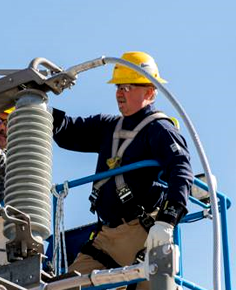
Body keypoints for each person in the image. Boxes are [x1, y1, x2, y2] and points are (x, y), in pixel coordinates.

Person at [51, 51, 192, 290]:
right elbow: (68, 132)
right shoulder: (109, 127)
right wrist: (35, 107)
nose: (119, 93)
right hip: (107, 236)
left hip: (143, 232)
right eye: (118, 87)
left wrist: (167, 220)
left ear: (149, 91)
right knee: (66, 287)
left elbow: (180, 168)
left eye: (127, 87)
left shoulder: (159, 129)